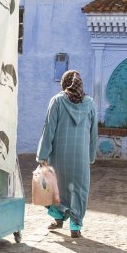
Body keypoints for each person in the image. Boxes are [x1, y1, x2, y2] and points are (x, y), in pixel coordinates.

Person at [36, 70, 98, 238]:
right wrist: (91, 156)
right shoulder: (90, 104)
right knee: (79, 189)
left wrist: (42, 156)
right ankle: (75, 226)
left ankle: (58, 218)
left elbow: (49, 129)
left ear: (64, 83)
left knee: (57, 187)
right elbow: (93, 133)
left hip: (59, 155)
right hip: (81, 156)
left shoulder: (57, 101)